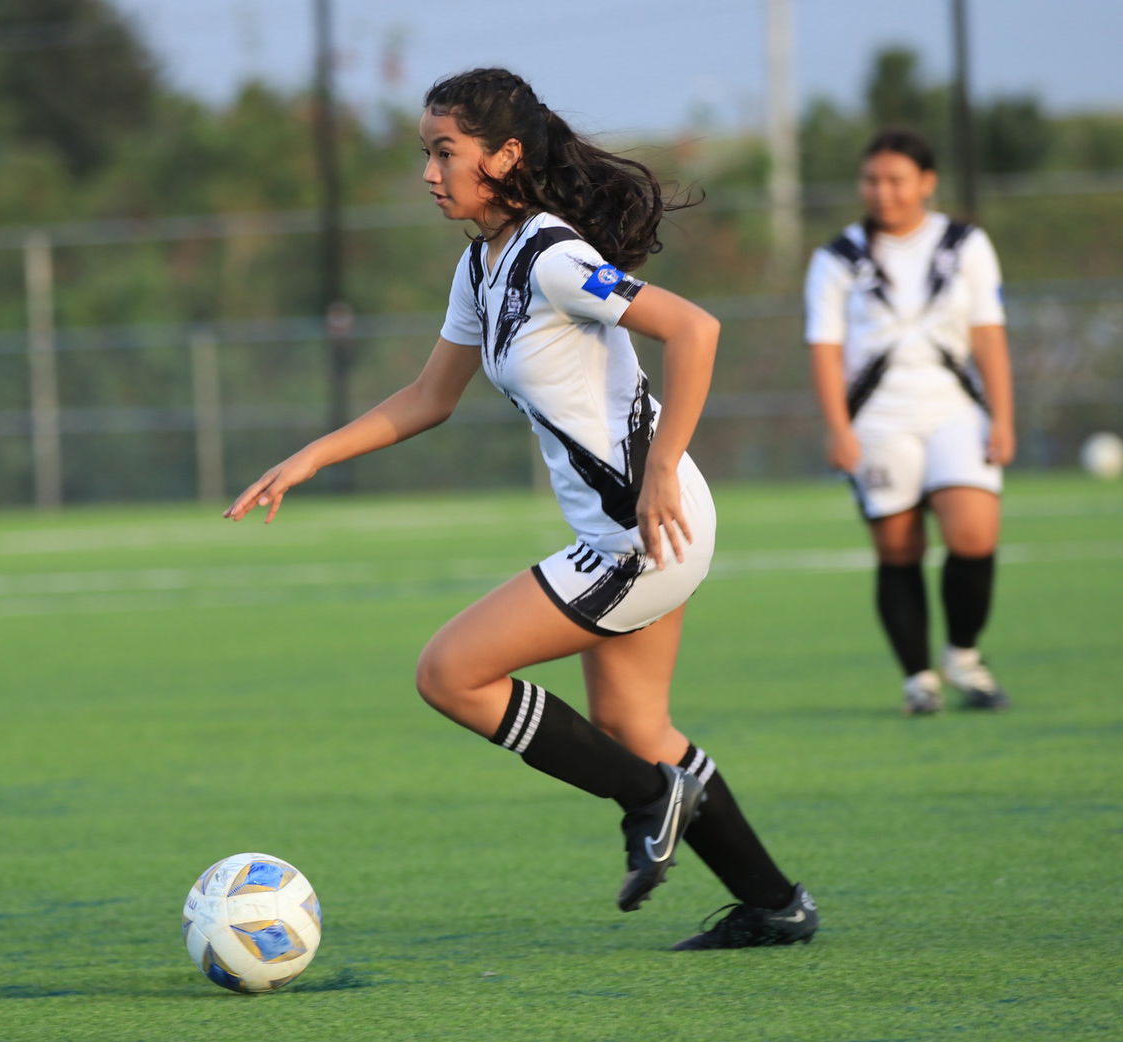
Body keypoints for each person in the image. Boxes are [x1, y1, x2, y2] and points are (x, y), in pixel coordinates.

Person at [225, 68, 816, 950]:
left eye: (445, 153)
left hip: (642, 534)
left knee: (450, 674)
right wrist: (311, 455)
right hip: (629, 529)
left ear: (505, 156)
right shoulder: (484, 264)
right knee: (634, 726)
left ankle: (651, 795)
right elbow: (429, 397)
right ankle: (775, 905)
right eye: (426, 153)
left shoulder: (553, 257)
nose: (430, 173)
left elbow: (697, 330)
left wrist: (658, 472)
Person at [804, 128, 1016, 716]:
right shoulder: (837, 257)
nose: (883, 192)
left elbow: (989, 333)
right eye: (872, 180)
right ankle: (918, 679)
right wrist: (838, 428)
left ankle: (964, 657)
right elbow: (824, 347)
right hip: (877, 420)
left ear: (927, 183)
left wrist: (1003, 416)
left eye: (896, 180)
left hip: (954, 410)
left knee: (974, 533)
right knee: (899, 550)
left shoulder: (965, 244)